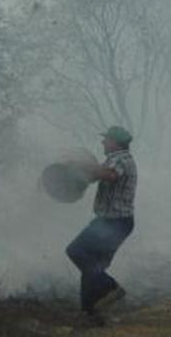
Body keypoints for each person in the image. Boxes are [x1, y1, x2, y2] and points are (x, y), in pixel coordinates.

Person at [65, 125, 137, 325]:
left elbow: (110, 175)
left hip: (113, 223)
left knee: (76, 251)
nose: (103, 142)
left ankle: (111, 287)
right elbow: (95, 176)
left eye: (106, 139)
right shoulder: (115, 159)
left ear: (115, 142)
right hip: (114, 222)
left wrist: (83, 166)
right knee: (92, 268)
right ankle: (90, 315)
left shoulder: (120, 158)